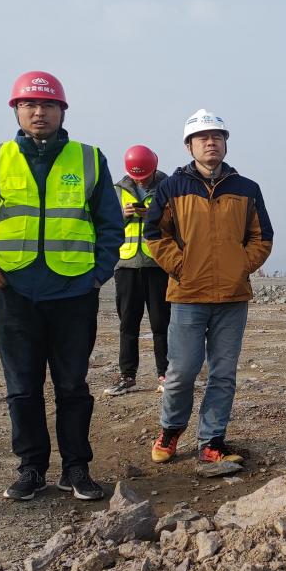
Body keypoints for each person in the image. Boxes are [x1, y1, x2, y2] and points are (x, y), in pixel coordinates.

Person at [0, 71, 124, 502]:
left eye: (47, 105)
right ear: (16, 111)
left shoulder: (89, 158)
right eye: (28, 104)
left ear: (62, 111)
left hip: (74, 293)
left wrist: (97, 273)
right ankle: (31, 468)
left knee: (72, 386)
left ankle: (76, 467)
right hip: (16, 293)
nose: (38, 112)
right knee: (22, 388)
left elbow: (110, 224)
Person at [146, 110, 273, 466]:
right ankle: (171, 430)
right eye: (202, 137)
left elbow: (262, 237)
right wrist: (181, 267)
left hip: (232, 297)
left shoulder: (247, 189)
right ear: (189, 146)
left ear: (225, 143)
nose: (211, 142)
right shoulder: (172, 188)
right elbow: (155, 234)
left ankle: (211, 440)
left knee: (223, 374)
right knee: (182, 371)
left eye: (217, 136)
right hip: (187, 295)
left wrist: (240, 266)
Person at [105, 145, 170, 396]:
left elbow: (177, 223)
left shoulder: (167, 188)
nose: (140, 180)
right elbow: (105, 224)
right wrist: (123, 215)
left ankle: (165, 374)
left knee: (161, 324)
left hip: (157, 266)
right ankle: (127, 376)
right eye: (136, 176)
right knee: (128, 325)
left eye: (144, 176)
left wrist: (153, 215)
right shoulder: (116, 191)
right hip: (126, 266)